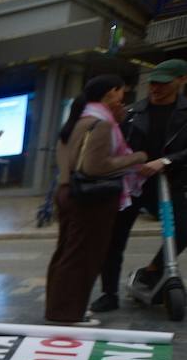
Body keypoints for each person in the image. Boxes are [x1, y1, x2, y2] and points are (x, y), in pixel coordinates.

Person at [43, 76, 146, 327]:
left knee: (66, 254)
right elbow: (94, 166)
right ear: (111, 92)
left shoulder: (77, 120)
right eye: (122, 92)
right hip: (90, 198)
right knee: (83, 257)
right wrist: (137, 158)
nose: (123, 98)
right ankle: (69, 314)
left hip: (67, 191)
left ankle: (59, 309)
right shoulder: (101, 124)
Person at [96, 59, 187, 312]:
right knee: (114, 239)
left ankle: (152, 270)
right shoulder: (134, 112)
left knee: (183, 228)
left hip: (169, 184)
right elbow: (116, 146)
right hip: (132, 185)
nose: (156, 88)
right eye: (153, 82)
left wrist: (166, 161)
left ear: (182, 80)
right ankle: (109, 293)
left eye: (163, 83)